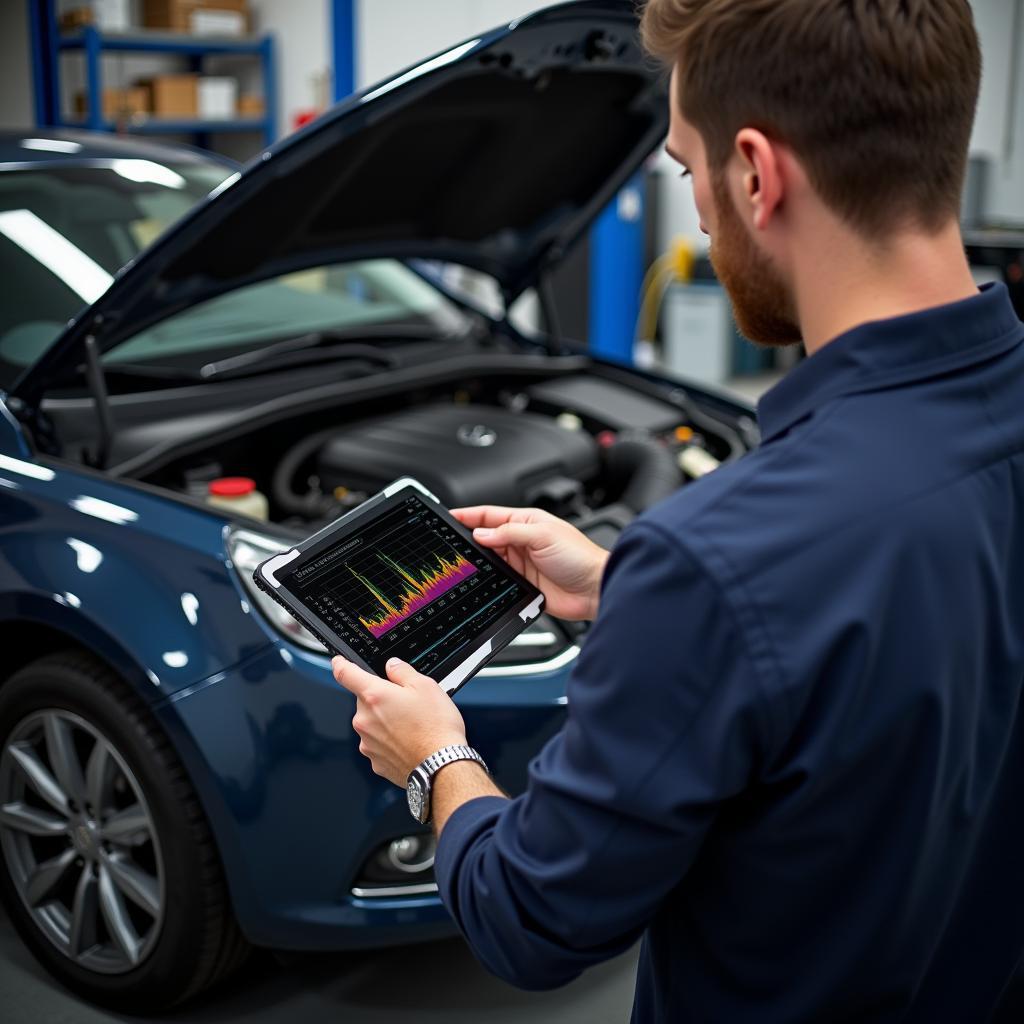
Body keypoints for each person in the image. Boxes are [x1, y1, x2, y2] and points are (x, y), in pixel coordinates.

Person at [333, 0, 1024, 1019]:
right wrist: (629, 589)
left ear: (754, 171)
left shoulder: (716, 558)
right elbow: (908, 618)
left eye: (685, 166)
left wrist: (435, 755)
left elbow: (529, 915)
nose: (696, 206)